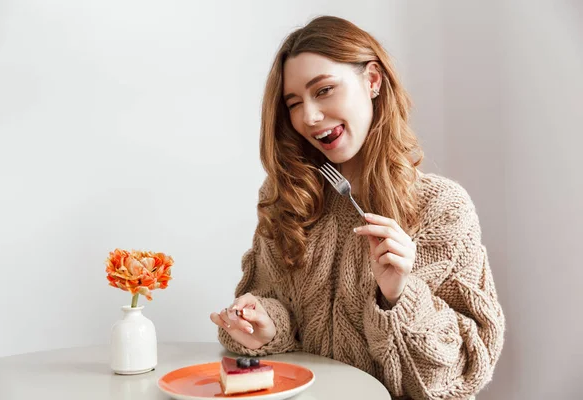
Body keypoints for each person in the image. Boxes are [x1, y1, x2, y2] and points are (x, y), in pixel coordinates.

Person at [209, 15, 505, 400]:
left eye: (325, 90)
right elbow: (281, 315)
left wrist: (399, 294)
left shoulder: (441, 209)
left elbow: (462, 369)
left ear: (373, 80)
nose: (309, 117)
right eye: (294, 103)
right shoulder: (289, 199)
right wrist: (262, 325)